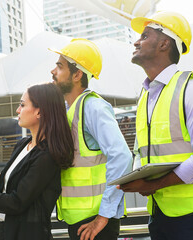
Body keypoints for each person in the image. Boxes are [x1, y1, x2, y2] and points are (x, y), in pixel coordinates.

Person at [118, 11, 193, 239]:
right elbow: (141, 151)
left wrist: (155, 184)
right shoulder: (145, 96)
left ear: (164, 43)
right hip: (160, 213)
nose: (136, 41)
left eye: (144, 35)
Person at [0, 83, 74, 240]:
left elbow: (16, 202)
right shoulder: (22, 144)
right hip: (4, 231)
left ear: (39, 111)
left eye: (22, 105)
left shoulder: (47, 155)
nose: (17, 110)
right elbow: (3, 188)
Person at [49, 39, 132, 240]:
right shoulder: (72, 110)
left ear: (77, 75)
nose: (53, 71)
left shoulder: (93, 107)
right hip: (80, 222)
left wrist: (103, 216)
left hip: (95, 224)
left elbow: (122, 157)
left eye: (60, 66)